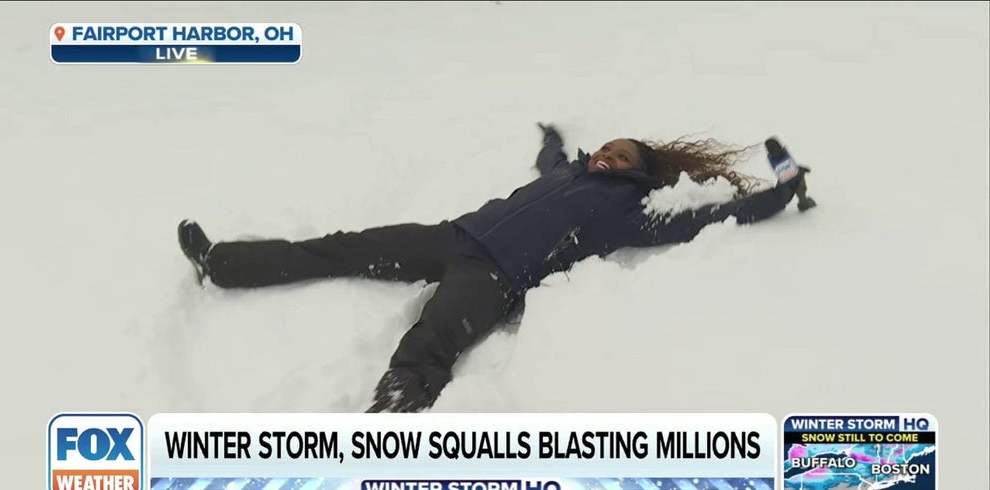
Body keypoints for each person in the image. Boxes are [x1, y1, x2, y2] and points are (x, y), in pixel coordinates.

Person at [177, 125, 810, 413]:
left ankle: (393, 416)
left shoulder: (629, 213)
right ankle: (222, 263)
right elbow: (549, 163)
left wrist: (778, 193)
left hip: (495, 276)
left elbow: (699, 222)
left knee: (435, 337)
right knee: (341, 246)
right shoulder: (570, 172)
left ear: (642, 172)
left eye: (623, 156)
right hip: (456, 235)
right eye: (608, 149)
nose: (609, 158)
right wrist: (554, 143)